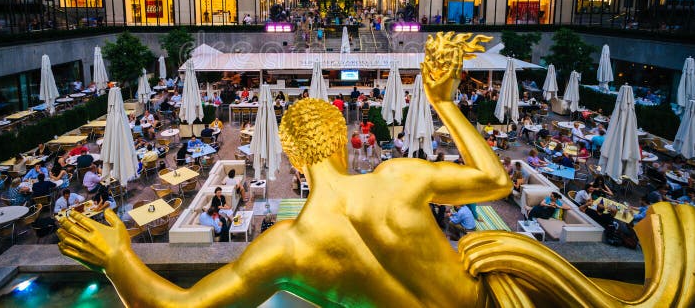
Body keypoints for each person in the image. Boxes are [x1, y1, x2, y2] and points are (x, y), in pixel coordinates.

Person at [56, 33, 529, 306]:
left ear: (292, 159)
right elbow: (496, 179)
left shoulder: (285, 246)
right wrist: (443, 103)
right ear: (344, 139)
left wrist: (117, 257)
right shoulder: (401, 177)